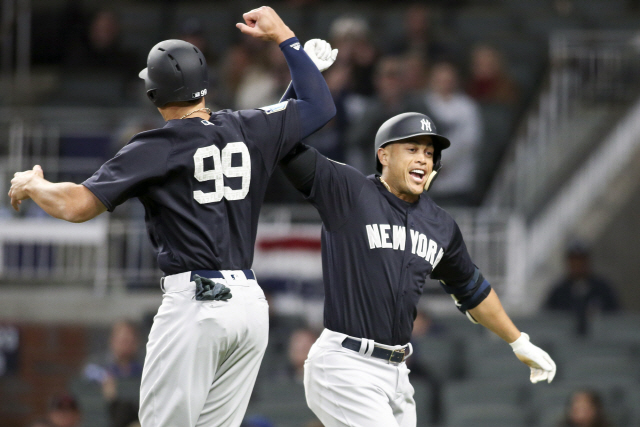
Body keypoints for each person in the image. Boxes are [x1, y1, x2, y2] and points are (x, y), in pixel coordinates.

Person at [9, 6, 336, 427]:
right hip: (249, 309)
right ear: (204, 85)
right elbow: (318, 104)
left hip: (196, 305)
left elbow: (76, 205)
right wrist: (287, 40)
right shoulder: (247, 126)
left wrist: (34, 184)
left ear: (154, 94)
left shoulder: (155, 146)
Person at [278, 111, 556, 427]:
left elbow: (472, 289)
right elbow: (285, 146)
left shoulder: (440, 225)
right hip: (345, 364)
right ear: (383, 155)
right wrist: (300, 73)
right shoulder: (349, 192)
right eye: (412, 149)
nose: (423, 159)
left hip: (397, 372)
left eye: (429, 152)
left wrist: (517, 340)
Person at [423, 61, 483, 205]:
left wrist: (443, 162)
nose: (444, 84)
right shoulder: (423, 104)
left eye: (448, 80)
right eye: (440, 79)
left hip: (458, 182)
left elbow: (470, 140)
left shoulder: (467, 107)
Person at [544, 241, 620, 335]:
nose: (577, 265)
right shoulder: (559, 292)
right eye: (574, 260)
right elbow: (547, 320)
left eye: (581, 260)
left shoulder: (602, 289)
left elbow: (617, 319)